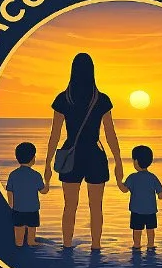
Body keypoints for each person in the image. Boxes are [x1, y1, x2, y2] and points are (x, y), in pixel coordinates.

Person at [42, 52, 122, 252]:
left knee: (70, 206)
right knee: (96, 207)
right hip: (95, 155)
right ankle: (96, 246)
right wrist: (118, 161)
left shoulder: (63, 98)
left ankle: (67, 246)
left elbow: (55, 135)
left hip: (71, 156)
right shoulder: (101, 99)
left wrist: (47, 164)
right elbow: (110, 134)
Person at [118, 146, 162, 254]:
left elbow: (124, 190)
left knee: (137, 230)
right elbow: (161, 193)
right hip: (151, 210)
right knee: (150, 230)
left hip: (136, 211)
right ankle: (151, 246)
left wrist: (118, 181)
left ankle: (137, 246)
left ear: (136, 161)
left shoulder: (132, 177)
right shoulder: (153, 177)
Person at [5, 141, 43, 248]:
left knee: (18, 230)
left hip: (18, 209)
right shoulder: (36, 175)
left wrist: (11, 206)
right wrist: (47, 184)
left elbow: (9, 191)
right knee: (31, 228)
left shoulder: (13, 174)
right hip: (32, 209)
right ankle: (31, 241)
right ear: (33, 159)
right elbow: (42, 190)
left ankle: (19, 243)